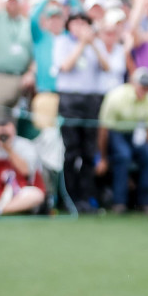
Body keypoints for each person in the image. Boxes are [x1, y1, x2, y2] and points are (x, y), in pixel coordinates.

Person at [53, 13, 105, 212]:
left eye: (84, 23)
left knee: (88, 151)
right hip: (70, 100)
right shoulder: (62, 42)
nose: (81, 27)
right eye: (77, 23)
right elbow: (66, 65)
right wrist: (82, 44)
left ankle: (85, 197)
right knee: (71, 150)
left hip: (90, 100)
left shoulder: (95, 44)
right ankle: (69, 197)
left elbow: (106, 66)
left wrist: (92, 44)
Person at [97, 68, 148, 213]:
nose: (144, 90)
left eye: (147, 87)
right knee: (123, 155)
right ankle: (119, 202)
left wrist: (144, 151)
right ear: (133, 83)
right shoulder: (116, 96)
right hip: (116, 133)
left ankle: (147, 203)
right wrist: (103, 157)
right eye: (142, 86)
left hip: (136, 135)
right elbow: (104, 130)